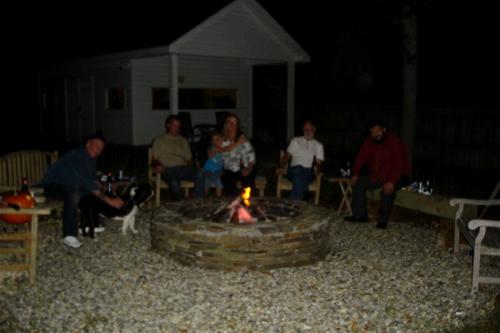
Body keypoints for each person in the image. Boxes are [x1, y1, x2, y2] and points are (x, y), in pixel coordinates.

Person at [42, 133, 124, 248]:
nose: (99, 150)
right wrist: (109, 200)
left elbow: (92, 180)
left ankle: (88, 224)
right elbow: (83, 181)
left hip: (70, 186)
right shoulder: (77, 156)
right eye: (97, 146)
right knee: (76, 190)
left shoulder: (91, 159)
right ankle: (69, 235)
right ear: (88, 144)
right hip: (52, 186)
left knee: (85, 190)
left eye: (101, 148)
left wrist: (103, 186)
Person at [345, 118, 411, 229]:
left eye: (378, 131)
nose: (375, 134)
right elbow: (360, 158)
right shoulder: (368, 142)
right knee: (359, 183)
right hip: (379, 175)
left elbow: (398, 164)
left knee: (387, 189)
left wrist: (391, 181)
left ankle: (382, 221)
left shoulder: (394, 142)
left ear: (384, 130)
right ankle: (360, 216)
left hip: (399, 175)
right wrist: (355, 173)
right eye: (372, 132)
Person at [151, 115, 204, 200]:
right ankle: (181, 203)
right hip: (168, 169)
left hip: (182, 168)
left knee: (200, 173)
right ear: (168, 125)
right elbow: (154, 159)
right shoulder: (159, 140)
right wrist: (158, 165)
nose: (177, 128)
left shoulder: (183, 140)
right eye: (174, 125)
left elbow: (189, 159)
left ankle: (199, 201)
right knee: (174, 182)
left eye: (178, 126)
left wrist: (193, 167)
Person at [277, 120, 324, 201]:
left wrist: (317, 166)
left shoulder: (318, 145)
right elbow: (286, 156)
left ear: (314, 129)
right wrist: (281, 167)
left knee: (299, 175)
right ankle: (301, 199)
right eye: (305, 129)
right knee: (298, 170)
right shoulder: (296, 141)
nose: (307, 131)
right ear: (303, 130)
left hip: (308, 173)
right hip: (293, 172)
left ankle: (293, 202)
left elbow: (320, 165)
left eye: (309, 129)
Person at [220, 113, 256, 196]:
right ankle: (234, 205)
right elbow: (222, 151)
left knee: (247, 181)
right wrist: (237, 143)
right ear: (226, 124)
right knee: (227, 180)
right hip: (229, 170)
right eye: (229, 122)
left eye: (234, 123)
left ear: (237, 125)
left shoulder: (242, 138)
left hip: (245, 167)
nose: (231, 125)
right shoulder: (222, 140)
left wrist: (249, 168)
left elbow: (251, 156)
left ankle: (247, 205)